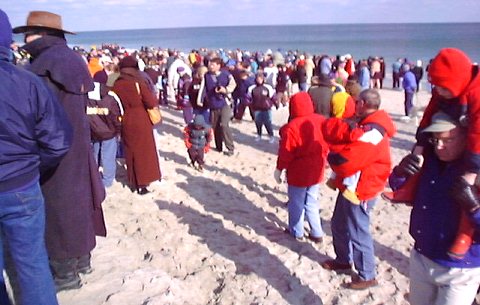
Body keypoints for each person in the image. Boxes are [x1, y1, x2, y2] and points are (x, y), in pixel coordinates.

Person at [13, 10, 107, 291]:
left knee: (58, 211)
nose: (25, 38)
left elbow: (35, 113)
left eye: (28, 32)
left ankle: (66, 274)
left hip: (54, 149)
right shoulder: (72, 58)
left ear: (42, 34)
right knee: (80, 203)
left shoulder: (44, 65)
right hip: (78, 145)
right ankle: (82, 261)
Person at [0, 10, 72, 304]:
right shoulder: (26, 82)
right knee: (31, 264)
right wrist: (33, 166)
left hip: (20, 180)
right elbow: (58, 141)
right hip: (21, 186)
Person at [389, 112, 480, 305]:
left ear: (466, 137)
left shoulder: (475, 172)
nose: (439, 146)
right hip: (422, 256)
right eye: (435, 139)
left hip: (460, 269)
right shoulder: (428, 159)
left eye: (447, 139)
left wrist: (474, 208)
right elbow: (398, 187)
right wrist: (399, 172)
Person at [321, 89, 396, 290]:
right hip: (351, 183)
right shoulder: (364, 123)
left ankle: (367, 274)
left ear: (362, 103)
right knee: (338, 223)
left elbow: (348, 160)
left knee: (358, 229)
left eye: (356, 102)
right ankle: (343, 260)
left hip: (362, 187)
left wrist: (332, 157)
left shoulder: (373, 131)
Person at [274, 92, 329, 243]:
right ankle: (317, 232)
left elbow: (286, 151)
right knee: (312, 200)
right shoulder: (321, 121)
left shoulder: (291, 127)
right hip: (318, 166)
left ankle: (296, 231)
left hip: (298, 169)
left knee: (296, 201)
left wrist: (279, 169)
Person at [113, 55, 162, 194]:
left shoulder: (117, 84)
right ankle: (142, 184)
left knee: (130, 150)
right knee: (143, 152)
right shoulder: (138, 82)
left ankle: (133, 181)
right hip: (141, 119)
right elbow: (151, 102)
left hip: (125, 119)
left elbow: (114, 102)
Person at [197, 57, 236, 156]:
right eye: (210, 64)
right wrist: (200, 100)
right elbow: (203, 88)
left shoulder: (226, 74)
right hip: (213, 104)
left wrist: (225, 90)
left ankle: (230, 148)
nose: (210, 66)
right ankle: (219, 147)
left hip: (225, 103)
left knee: (223, 124)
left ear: (218, 66)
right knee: (215, 127)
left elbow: (233, 85)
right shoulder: (207, 76)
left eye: (213, 64)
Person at [87, 82, 123, 188]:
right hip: (108, 133)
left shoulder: (86, 98)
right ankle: (107, 180)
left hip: (93, 132)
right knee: (108, 157)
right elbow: (117, 116)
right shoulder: (110, 99)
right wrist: (118, 130)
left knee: (94, 156)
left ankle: (93, 177)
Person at [248, 72, 276, 142]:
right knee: (258, 122)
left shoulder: (268, 87)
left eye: (261, 78)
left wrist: (275, 104)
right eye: (258, 78)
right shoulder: (252, 88)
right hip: (257, 108)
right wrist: (250, 105)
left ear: (263, 79)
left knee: (268, 122)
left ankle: (271, 136)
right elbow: (248, 98)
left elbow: (272, 97)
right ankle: (259, 135)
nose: (259, 80)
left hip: (266, 108)